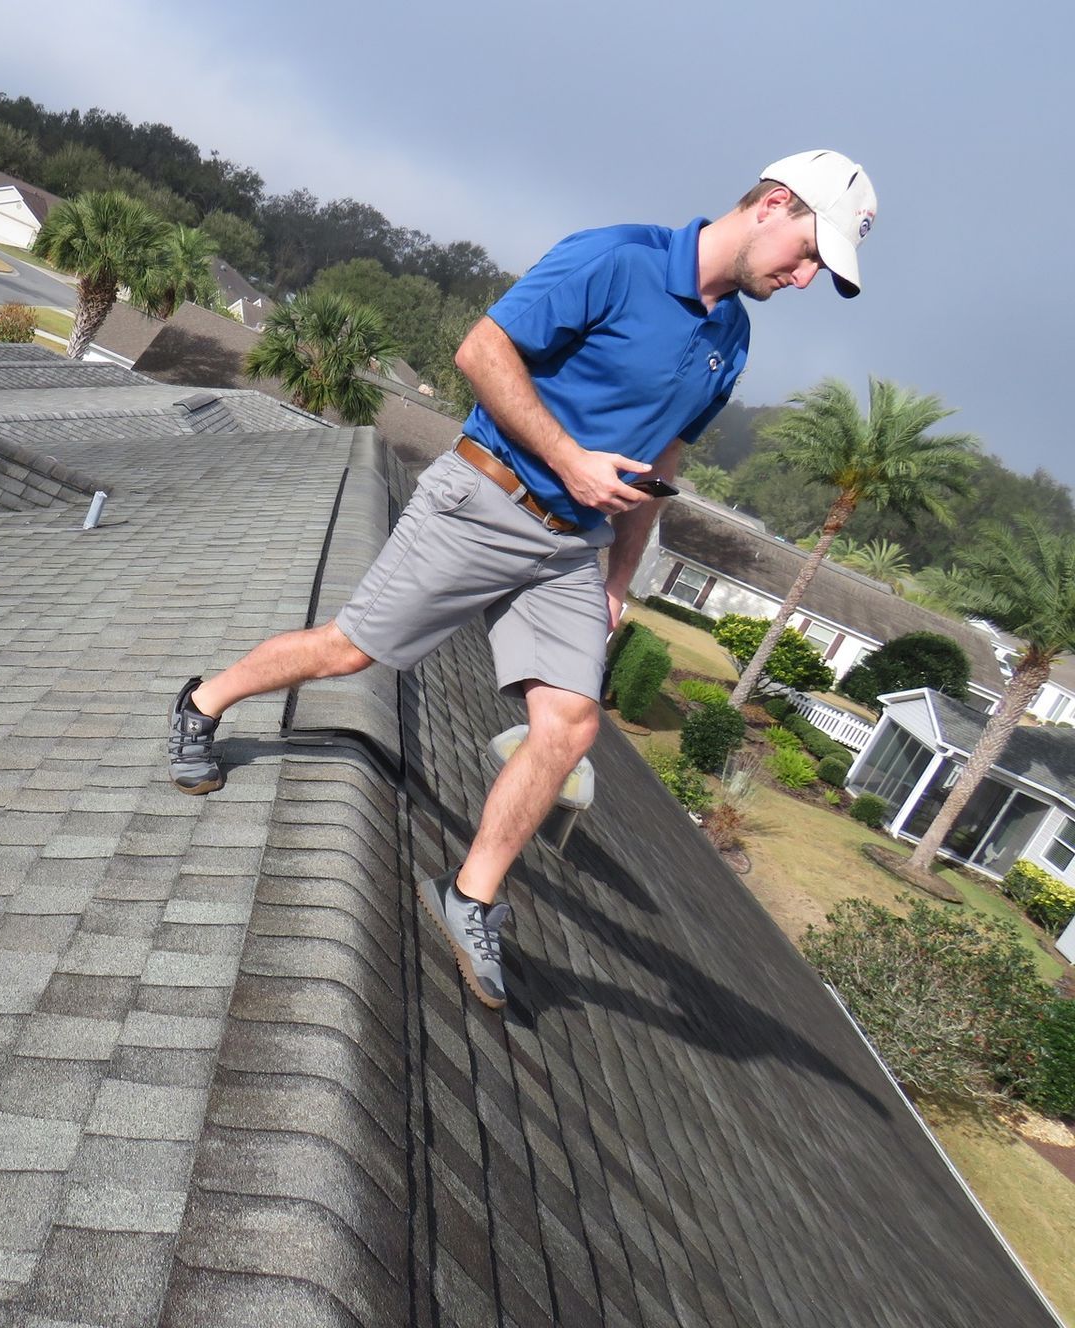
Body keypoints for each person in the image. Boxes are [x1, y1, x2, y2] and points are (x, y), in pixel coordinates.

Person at [167, 150, 877, 1009]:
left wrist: (620, 576)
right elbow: (481, 349)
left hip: (573, 547)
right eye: (807, 254)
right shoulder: (615, 259)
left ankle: (471, 898)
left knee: (570, 726)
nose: (804, 279)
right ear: (771, 204)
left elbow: (666, 455)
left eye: (819, 272)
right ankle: (203, 703)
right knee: (351, 653)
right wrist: (570, 459)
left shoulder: (732, 337)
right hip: (484, 500)